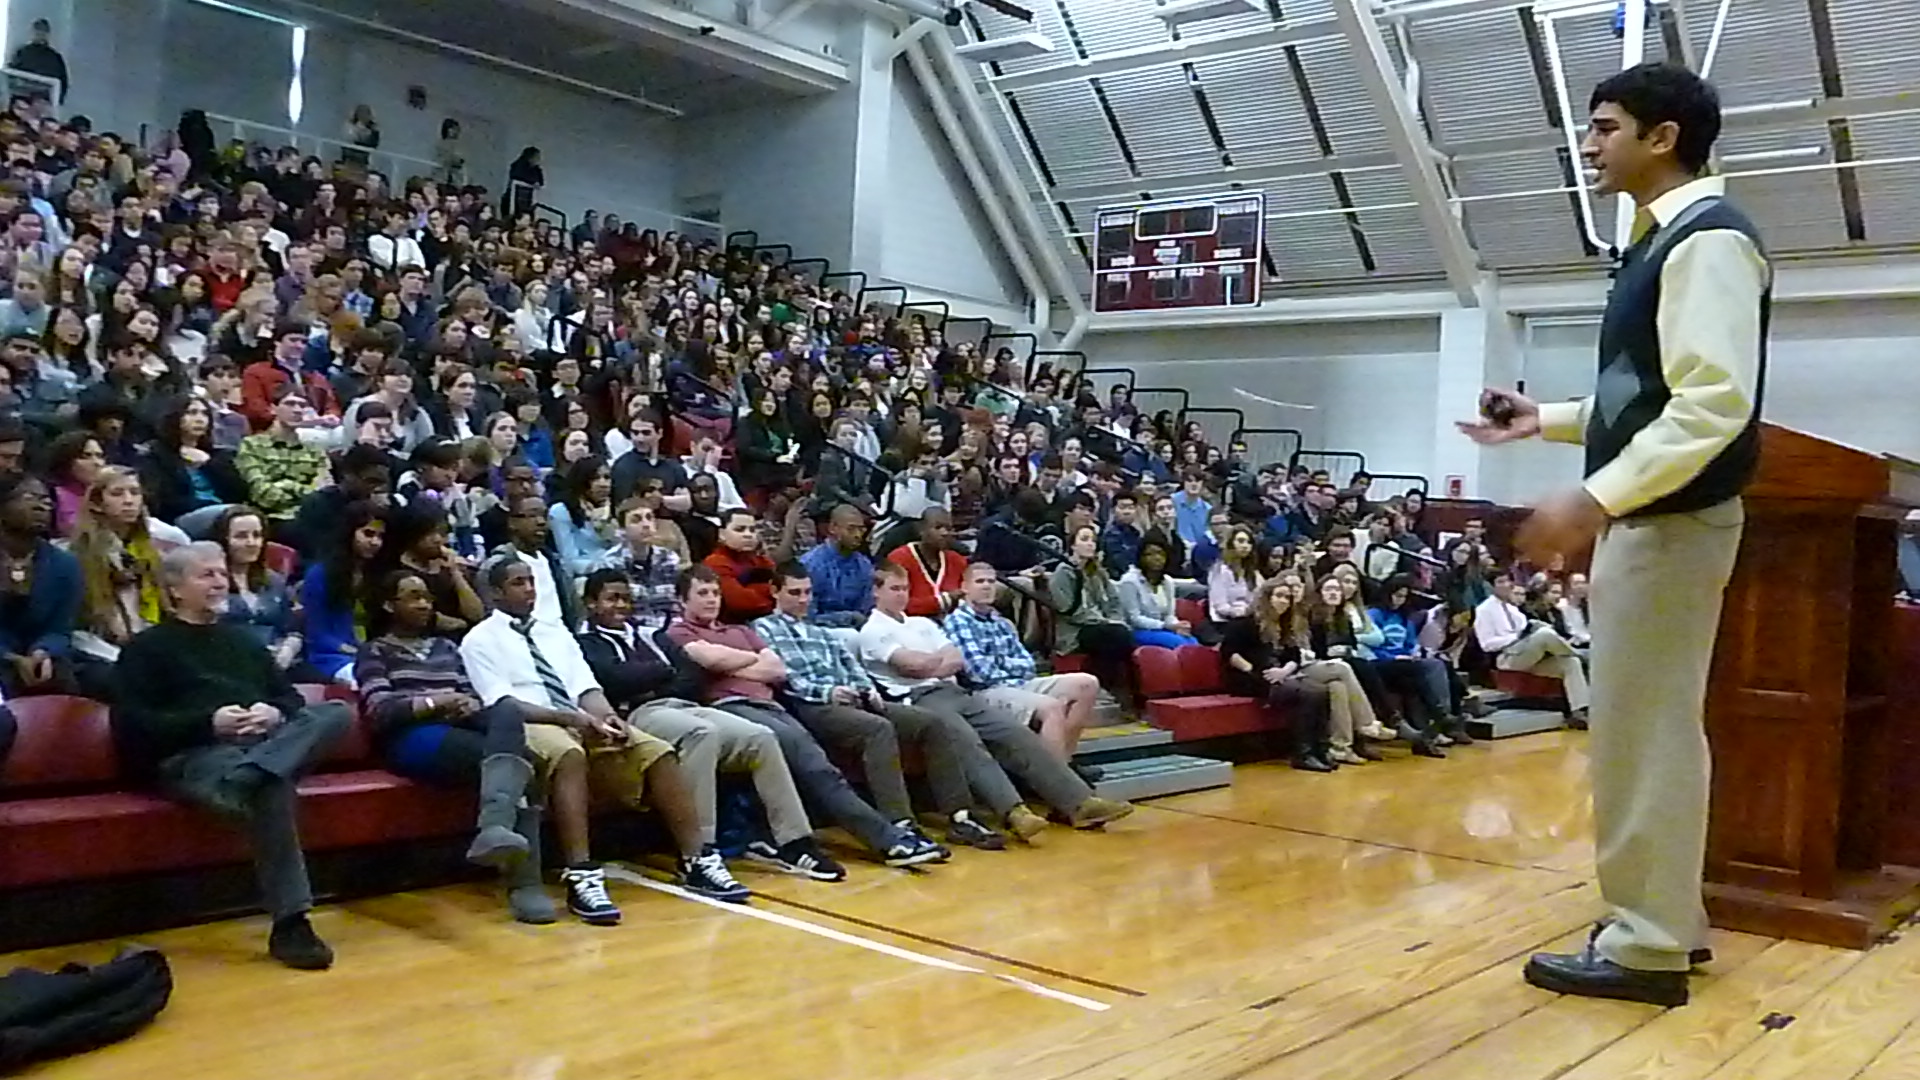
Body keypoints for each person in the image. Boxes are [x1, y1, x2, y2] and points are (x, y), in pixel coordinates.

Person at [1458, 62, 1764, 1008]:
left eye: (1604, 127)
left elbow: (1713, 406)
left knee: (1642, 732)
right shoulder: (1664, 242)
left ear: (1662, 137)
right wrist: (1543, 419)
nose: (1589, 145)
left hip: (1668, 519)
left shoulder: (1705, 243)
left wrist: (1593, 497)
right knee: (1649, 729)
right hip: (1661, 516)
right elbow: (1646, 399)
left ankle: (1650, 942)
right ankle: (1662, 917)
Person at [112, 542, 352, 969]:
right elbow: (132, 729)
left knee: (335, 712)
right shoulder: (147, 648)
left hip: (260, 747)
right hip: (197, 756)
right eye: (206, 574)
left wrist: (273, 711)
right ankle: (292, 923)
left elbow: (290, 698)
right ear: (175, 588)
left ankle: (251, 775)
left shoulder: (244, 641)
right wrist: (209, 722)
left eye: (222, 573)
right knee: (272, 786)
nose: (220, 581)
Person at [460, 558, 727, 923]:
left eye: (531, 581)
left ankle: (697, 859)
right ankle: (582, 873)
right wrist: (570, 719)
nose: (530, 590)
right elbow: (503, 704)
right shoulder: (478, 640)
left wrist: (606, 715)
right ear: (493, 592)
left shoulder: (554, 631)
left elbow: (584, 686)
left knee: (656, 751)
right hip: (533, 721)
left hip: (578, 715)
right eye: (518, 583)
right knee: (569, 753)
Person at [666, 565, 946, 869]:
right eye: (702, 594)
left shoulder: (739, 630)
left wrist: (728, 663)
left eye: (716, 593)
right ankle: (888, 840)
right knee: (817, 767)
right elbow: (709, 659)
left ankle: (891, 832)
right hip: (730, 707)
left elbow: (777, 669)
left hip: (773, 706)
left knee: (820, 764)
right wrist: (744, 660)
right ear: (682, 601)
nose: (711, 600)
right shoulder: (679, 632)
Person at [577, 569, 826, 890]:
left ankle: (795, 841)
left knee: (759, 737)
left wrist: (656, 677)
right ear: (591, 604)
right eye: (612, 598)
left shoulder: (652, 635)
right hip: (637, 714)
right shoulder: (586, 642)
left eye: (626, 598)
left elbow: (691, 675)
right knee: (701, 734)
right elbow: (614, 680)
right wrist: (664, 674)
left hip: (685, 705)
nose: (621, 605)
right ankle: (699, 852)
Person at [861, 561, 1130, 835]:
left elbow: (955, 659)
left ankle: (1078, 802)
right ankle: (1014, 811)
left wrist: (930, 663)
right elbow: (911, 665)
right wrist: (934, 662)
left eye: (905, 588)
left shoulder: (921, 623)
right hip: (919, 698)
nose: (901, 594)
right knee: (967, 740)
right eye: (894, 588)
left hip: (955, 691)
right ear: (876, 591)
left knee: (1015, 733)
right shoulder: (872, 631)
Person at [755, 561, 1004, 851]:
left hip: (852, 697)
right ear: (775, 591)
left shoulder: (821, 631)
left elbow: (851, 666)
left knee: (930, 722)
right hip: (811, 705)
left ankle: (961, 816)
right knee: (877, 729)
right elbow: (784, 676)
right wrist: (829, 691)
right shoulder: (763, 629)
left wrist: (867, 690)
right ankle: (901, 823)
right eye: (794, 593)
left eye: (807, 593)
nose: (803, 600)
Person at [355, 570, 555, 922]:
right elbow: (381, 711)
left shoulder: (447, 647)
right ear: (389, 604)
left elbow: (469, 691)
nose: (423, 604)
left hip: (459, 724)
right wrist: (438, 702)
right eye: (413, 596)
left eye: (428, 598)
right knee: (521, 763)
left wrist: (468, 703)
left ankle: (495, 827)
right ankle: (524, 882)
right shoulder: (375, 651)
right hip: (412, 737)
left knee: (506, 711)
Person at [946, 562, 1101, 764]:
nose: (986, 586)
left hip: (1019, 684)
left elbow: (1028, 665)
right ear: (965, 587)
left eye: (991, 581)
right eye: (980, 581)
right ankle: (1057, 780)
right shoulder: (958, 621)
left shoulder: (1001, 622)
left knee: (1086, 683)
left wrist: (999, 661)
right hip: (986, 692)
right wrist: (1007, 664)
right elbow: (980, 673)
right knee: (1052, 707)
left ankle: (1064, 763)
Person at [1219, 580, 1336, 772]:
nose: (1284, 601)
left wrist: (1284, 672)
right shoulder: (1245, 623)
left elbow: (1294, 656)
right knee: (1307, 693)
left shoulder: (1285, 626)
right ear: (1267, 598)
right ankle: (1302, 753)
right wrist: (1253, 671)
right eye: (1279, 596)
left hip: (1280, 675)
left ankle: (1321, 749)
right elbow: (1230, 653)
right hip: (1250, 678)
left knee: (1320, 690)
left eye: (1287, 598)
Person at [1472, 569, 1590, 727]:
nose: (1506, 585)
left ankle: (1578, 712)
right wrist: (1517, 637)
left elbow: (1524, 627)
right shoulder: (1484, 610)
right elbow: (1487, 644)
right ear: (1491, 586)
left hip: (1527, 653)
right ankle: (1581, 655)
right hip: (1507, 657)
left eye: (1508, 581)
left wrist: (1531, 627)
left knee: (1571, 663)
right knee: (1545, 635)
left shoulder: (1512, 608)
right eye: (1501, 582)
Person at [0, 472, 80, 698]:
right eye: (30, 497)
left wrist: (42, 652)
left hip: (40, 655)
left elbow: (60, 628)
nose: (42, 506)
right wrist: (11, 658)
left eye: (46, 501)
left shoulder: (64, 563)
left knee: (70, 677)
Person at [797, 503, 873, 628]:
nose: (858, 535)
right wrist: (845, 618)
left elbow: (867, 608)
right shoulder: (811, 563)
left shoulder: (864, 564)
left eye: (861, 529)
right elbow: (805, 615)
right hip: (819, 629)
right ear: (833, 528)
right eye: (851, 529)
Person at [884, 506, 965, 617]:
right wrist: (943, 600)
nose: (944, 533)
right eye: (938, 527)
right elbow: (898, 604)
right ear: (921, 529)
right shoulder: (899, 558)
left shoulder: (957, 560)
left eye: (949, 528)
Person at [1119, 536, 1197, 649]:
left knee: (1193, 642)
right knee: (1180, 643)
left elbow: (1169, 615)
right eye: (1149, 554)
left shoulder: (1168, 582)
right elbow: (1134, 618)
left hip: (1164, 629)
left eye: (1160, 554)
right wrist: (1165, 626)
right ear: (1140, 558)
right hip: (1138, 631)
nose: (1157, 558)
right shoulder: (1129, 581)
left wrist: (1177, 625)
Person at [701, 506, 775, 623]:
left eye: (752, 530)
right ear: (722, 534)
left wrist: (751, 590)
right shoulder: (715, 563)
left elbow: (785, 593)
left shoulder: (763, 561)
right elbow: (740, 603)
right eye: (740, 529)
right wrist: (770, 595)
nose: (748, 535)